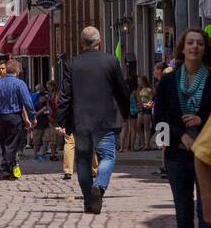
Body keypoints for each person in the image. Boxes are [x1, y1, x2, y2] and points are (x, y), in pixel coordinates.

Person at [152, 27, 211, 228]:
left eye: (199, 43)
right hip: (177, 156)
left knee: (206, 209)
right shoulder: (168, 80)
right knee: (183, 212)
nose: (195, 47)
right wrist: (180, 137)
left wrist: (201, 121)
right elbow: (159, 120)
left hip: (206, 155)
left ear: (205, 49)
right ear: (182, 48)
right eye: (190, 43)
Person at [57, 26, 131, 215]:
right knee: (107, 156)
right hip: (105, 119)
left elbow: (65, 95)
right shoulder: (110, 61)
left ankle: (90, 202)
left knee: (82, 160)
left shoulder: (73, 64)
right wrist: (126, 111)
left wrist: (62, 119)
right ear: (100, 42)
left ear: (82, 43)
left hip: (80, 120)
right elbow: (121, 90)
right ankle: (98, 186)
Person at [0, 59, 34, 179]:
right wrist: (32, 116)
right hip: (14, 117)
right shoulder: (20, 84)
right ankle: (4, 171)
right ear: (16, 70)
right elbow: (27, 102)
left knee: (6, 144)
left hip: (0, 117)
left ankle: (10, 171)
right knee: (11, 145)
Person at [138, 70, 156, 151]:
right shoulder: (141, 89)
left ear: (143, 81)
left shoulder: (149, 89)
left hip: (147, 109)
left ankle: (147, 144)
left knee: (146, 127)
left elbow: (152, 101)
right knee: (138, 127)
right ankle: (143, 143)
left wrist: (145, 105)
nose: (139, 82)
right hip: (141, 109)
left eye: (140, 81)